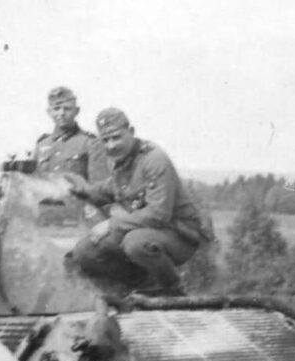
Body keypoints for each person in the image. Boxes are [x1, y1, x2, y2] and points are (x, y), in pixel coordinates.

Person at [66, 107, 209, 293]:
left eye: (116, 137)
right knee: (85, 252)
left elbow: (158, 215)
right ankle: (143, 285)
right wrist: (84, 191)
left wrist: (111, 225)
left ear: (131, 132)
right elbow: (112, 188)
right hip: (143, 229)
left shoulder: (154, 159)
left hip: (179, 234)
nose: (111, 145)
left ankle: (172, 288)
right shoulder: (119, 160)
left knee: (135, 243)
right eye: (105, 140)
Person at [32, 86, 107, 181]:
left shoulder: (90, 143)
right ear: (49, 112)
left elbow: (98, 187)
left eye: (67, 109)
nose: (62, 113)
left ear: (76, 111)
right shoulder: (41, 146)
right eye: (56, 109)